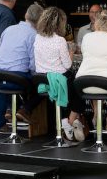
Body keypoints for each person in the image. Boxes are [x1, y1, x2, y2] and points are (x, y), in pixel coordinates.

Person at [0, 3, 44, 133]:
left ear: (26, 15)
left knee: (2, 88)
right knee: (44, 85)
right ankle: (24, 109)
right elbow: (33, 65)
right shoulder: (34, 35)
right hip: (17, 78)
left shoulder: (9, 29)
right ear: (40, 21)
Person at [34, 7, 84, 142]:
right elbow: (67, 65)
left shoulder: (37, 37)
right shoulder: (59, 40)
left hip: (42, 80)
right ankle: (70, 120)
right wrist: (72, 51)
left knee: (73, 85)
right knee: (81, 88)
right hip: (58, 80)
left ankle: (67, 121)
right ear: (59, 23)